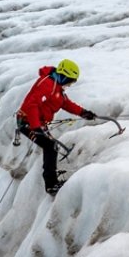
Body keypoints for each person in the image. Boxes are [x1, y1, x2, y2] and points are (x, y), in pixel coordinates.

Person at [17, 58, 96, 195]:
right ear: (63, 75)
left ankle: (52, 177)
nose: (69, 85)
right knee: (50, 146)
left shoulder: (57, 88)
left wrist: (84, 113)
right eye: (69, 81)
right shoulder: (46, 84)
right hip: (27, 122)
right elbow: (32, 105)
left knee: (51, 145)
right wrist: (36, 127)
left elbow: (65, 103)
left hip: (37, 123)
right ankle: (51, 184)